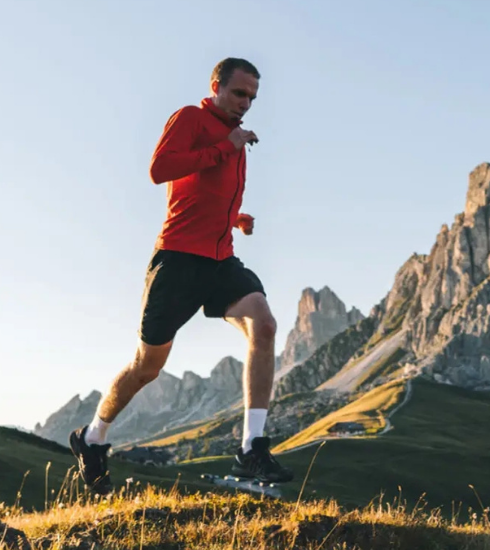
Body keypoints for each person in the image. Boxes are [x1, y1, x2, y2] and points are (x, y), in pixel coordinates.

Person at [67, 57, 293, 495]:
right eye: (238, 93)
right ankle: (92, 438)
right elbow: (160, 170)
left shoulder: (235, 137)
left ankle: (252, 448)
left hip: (220, 259)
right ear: (216, 86)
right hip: (177, 261)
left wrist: (235, 218)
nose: (246, 104)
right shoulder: (191, 118)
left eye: (252, 97)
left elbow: (202, 193)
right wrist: (227, 145)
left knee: (263, 324)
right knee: (146, 367)